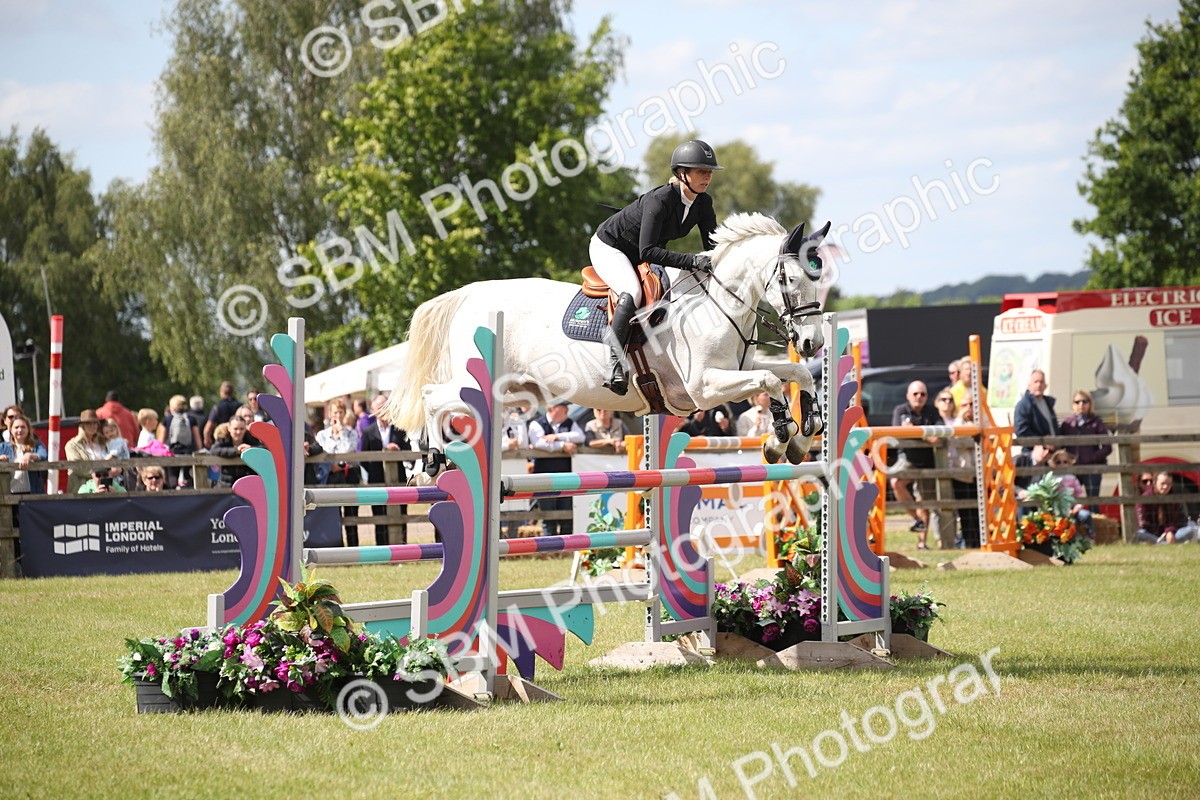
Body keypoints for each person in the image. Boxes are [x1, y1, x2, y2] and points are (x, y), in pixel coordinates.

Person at [590, 139, 722, 395]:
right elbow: (648, 251)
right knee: (633, 291)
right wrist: (693, 261)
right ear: (682, 173)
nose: (707, 177)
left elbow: (712, 245)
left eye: (709, 172)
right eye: (701, 171)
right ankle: (614, 363)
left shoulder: (703, 203)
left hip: (641, 252)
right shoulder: (660, 200)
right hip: (611, 247)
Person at [890, 381, 943, 549]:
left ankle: (922, 543)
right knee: (896, 483)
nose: (919, 397)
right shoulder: (900, 410)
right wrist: (925, 433)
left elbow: (939, 437)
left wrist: (915, 431)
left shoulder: (933, 412)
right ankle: (917, 520)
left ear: (927, 397)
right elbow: (898, 433)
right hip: (908, 459)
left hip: (928, 463)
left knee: (924, 501)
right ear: (908, 395)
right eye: (915, 394)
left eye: (922, 394)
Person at [529, 401, 585, 536]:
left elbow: (580, 436)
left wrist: (558, 437)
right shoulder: (536, 423)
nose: (567, 409)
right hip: (544, 477)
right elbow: (538, 443)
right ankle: (550, 548)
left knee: (567, 515)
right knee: (548, 516)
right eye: (563, 406)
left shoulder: (570, 422)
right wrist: (562, 446)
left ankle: (566, 548)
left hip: (567, 476)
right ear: (553, 408)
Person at [360, 394, 410, 545]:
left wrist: (398, 449)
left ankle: (402, 547)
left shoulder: (400, 429)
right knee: (379, 514)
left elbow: (409, 451)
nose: (383, 410)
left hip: (398, 479)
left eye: (386, 406)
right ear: (373, 409)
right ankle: (381, 548)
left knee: (401, 513)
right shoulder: (368, 432)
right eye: (380, 407)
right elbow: (363, 458)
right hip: (377, 479)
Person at [316, 399, 361, 547]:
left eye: (341, 412)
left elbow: (348, 450)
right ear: (330, 414)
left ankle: (353, 547)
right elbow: (323, 452)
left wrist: (341, 432)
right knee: (332, 513)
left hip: (349, 475)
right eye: (335, 412)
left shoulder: (351, 433)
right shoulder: (322, 435)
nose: (338, 415)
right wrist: (332, 466)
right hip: (331, 475)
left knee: (351, 512)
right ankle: (335, 546)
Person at [1057, 389, 1111, 504]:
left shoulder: (1096, 422)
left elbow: (1107, 447)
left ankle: (1093, 521)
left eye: (1084, 401)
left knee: (1093, 502)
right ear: (1073, 404)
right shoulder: (1067, 423)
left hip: (1092, 468)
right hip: (1072, 469)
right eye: (1077, 402)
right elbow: (1060, 445)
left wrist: (1092, 457)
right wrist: (1066, 460)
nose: (1081, 404)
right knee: (1070, 502)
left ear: (1089, 404)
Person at [949, 397, 981, 548]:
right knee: (965, 512)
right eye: (964, 404)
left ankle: (980, 542)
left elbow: (987, 439)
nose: (968, 407)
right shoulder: (957, 423)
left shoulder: (981, 421)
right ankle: (969, 542)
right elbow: (959, 440)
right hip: (961, 473)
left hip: (979, 473)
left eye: (971, 404)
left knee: (979, 511)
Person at [1044, 449, 1095, 540]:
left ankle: (1090, 537)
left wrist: (1077, 508)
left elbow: (1080, 495)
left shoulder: (1072, 478)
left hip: (1072, 509)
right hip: (1057, 509)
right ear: (1054, 464)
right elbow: (1047, 497)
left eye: (1065, 462)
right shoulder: (1051, 479)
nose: (1062, 464)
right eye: (1058, 462)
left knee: (1086, 515)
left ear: (1069, 463)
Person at [1136, 472, 1198, 544]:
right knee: (1140, 533)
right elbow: (1143, 524)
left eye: (1169, 484)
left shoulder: (1174, 498)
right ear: (1155, 483)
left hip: (1171, 534)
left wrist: (1170, 531)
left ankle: (1162, 544)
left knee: (1190, 530)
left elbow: (1180, 520)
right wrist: (1164, 533)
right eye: (1162, 484)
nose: (1165, 487)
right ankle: (1162, 544)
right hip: (1152, 534)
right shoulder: (1144, 499)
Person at [1013, 369, 1059, 466]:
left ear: (1045, 385)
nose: (1039, 385)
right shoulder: (1023, 405)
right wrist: (1042, 442)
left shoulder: (1048, 403)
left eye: (1041, 382)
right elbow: (1021, 431)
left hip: (1051, 454)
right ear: (1029, 385)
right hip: (1032, 455)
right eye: (1036, 382)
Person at [65, 409, 113, 493]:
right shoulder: (72, 445)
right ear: (82, 426)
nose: (93, 426)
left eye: (95, 423)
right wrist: (100, 473)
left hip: (105, 488)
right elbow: (78, 467)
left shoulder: (102, 443)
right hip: (81, 490)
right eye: (89, 423)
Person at [0, 413, 48, 495]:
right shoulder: (3, 447)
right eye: (16, 427)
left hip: (32, 493)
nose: (19, 430)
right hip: (9, 493)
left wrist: (30, 455)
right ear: (11, 430)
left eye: (23, 427)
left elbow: (43, 455)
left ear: (28, 429)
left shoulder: (36, 445)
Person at [162, 395, 202, 488]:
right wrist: (200, 450)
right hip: (188, 451)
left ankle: (172, 495)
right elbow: (197, 437)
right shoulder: (191, 418)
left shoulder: (168, 419)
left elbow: (162, 438)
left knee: (172, 476)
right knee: (188, 476)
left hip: (172, 452)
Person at [209, 416, 261, 488]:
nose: (238, 432)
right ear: (229, 428)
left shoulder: (250, 438)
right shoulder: (223, 439)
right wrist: (236, 451)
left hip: (247, 482)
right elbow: (214, 450)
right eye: (235, 429)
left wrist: (251, 449)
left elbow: (264, 448)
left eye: (242, 429)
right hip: (226, 483)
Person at [203, 381, 241, 447]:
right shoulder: (240, 406)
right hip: (237, 439)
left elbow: (207, 429)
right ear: (232, 392)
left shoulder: (217, 407)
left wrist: (207, 439)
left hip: (222, 439)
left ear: (222, 392)